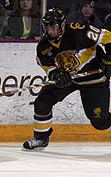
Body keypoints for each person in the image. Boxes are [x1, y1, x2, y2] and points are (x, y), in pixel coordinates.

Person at [23, 7, 111, 150]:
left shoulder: (80, 31)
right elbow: (46, 65)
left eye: (54, 27)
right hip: (68, 78)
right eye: (47, 28)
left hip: (93, 78)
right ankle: (41, 139)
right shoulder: (43, 46)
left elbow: (109, 37)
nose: (50, 31)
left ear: (63, 24)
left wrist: (109, 58)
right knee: (42, 102)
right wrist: (55, 74)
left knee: (100, 123)